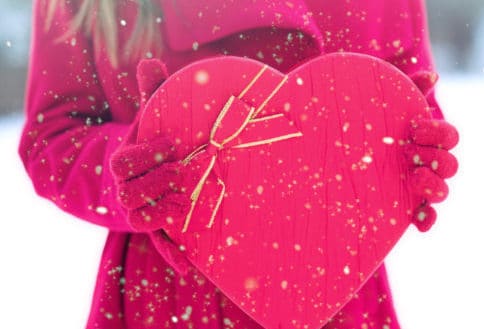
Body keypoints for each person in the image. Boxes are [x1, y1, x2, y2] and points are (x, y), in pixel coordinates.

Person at [18, 0, 459, 328]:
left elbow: (411, 100)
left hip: (335, 279)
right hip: (170, 291)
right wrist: (136, 171)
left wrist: (413, 155)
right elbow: (52, 136)